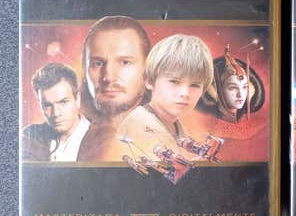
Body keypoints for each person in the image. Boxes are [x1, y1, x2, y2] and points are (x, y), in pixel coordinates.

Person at [116, 34, 214, 156]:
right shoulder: (139, 126)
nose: (185, 93)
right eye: (174, 81)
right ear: (149, 81)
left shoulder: (176, 126)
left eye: (195, 85)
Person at [77, 16, 150, 161]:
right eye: (98, 63)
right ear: (84, 71)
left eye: (125, 62)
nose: (108, 77)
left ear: (148, 70)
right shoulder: (87, 132)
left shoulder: (156, 139)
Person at [22, 63, 90, 161]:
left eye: (63, 102)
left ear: (77, 99)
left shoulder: (99, 139)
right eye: (47, 105)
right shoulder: (30, 136)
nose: (56, 113)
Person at [197, 46, 265, 123]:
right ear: (217, 89)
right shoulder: (203, 120)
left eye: (244, 87)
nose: (240, 94)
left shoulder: (251, 122)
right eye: (233, 88)